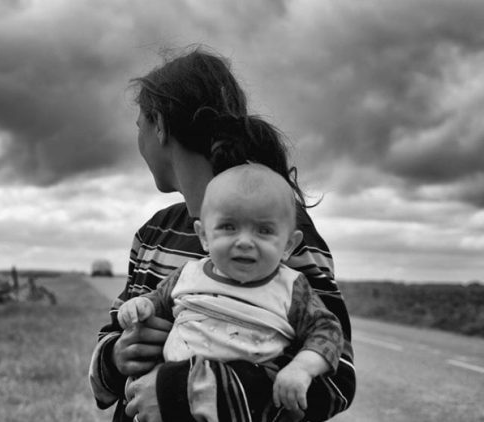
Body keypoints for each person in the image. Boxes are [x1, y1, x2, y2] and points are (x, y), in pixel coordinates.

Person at [89, 46, 355, 422]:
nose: (244, 239)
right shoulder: (154, 233)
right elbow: (114, 333)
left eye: (139, 127)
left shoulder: (281, 231)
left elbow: (337, 379)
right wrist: (118, 355)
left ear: (160, 126)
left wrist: (183, 393)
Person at [117, 163, 344, 420]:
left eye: (264, 230)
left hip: (237, 408)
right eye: (228, 227)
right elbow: (157, 300)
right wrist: (140, 306)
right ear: (203, 236)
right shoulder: (188, 274)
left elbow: (329, 331)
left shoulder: (292, 288)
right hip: (166, 403)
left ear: (288, 245)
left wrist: (301, 368)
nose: (245, 241)